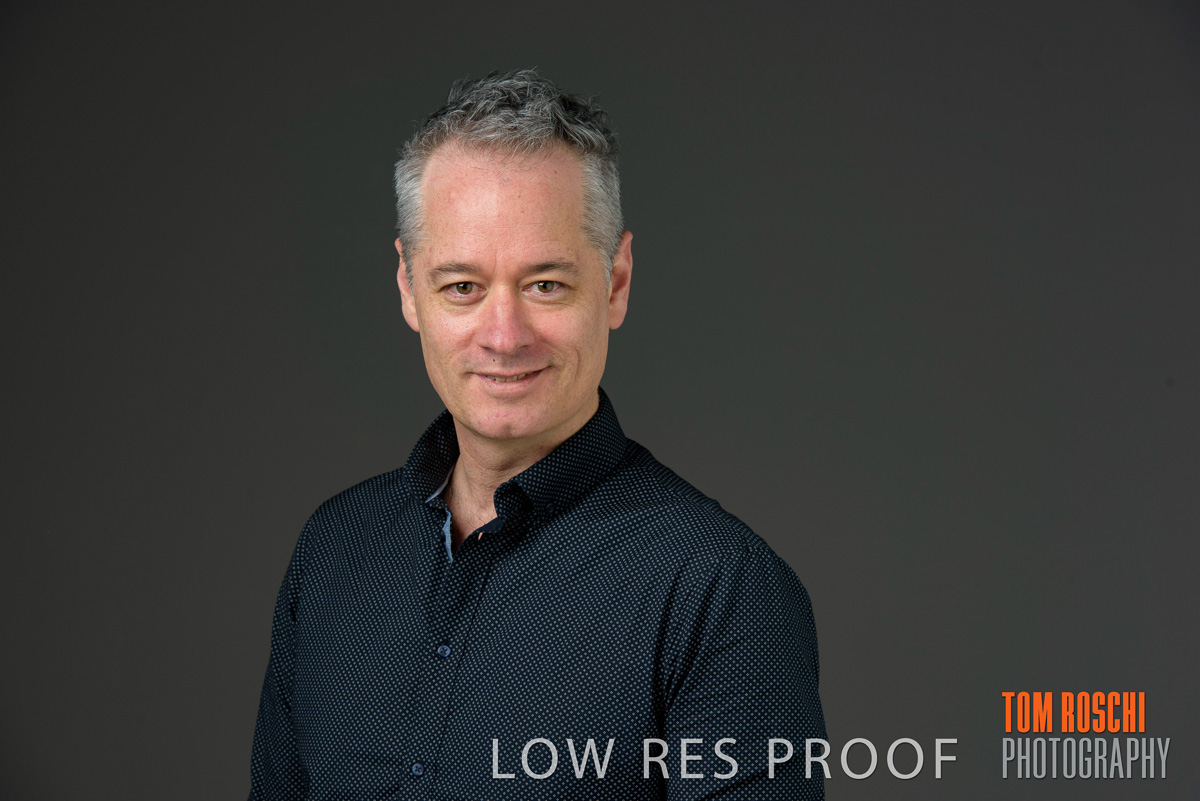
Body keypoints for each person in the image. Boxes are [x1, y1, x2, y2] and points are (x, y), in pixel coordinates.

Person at [249, 69, 826, 800]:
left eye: (545, 284)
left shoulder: (720, 588)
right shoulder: (335, 549)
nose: (503, 335)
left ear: (615, 282)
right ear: (408, 289)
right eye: (462, 286)